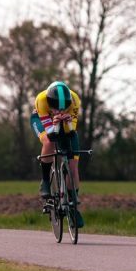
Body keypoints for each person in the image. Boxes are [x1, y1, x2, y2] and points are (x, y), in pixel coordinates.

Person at [30, 81, 84, 227]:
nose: (58, 110)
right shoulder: (41, 100)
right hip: (42, 121)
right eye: (55, 107)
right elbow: (51, 134)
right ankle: (46, 181)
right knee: (49, 142)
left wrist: (66, 121)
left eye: (63, 108)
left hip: (66, 126)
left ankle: (73, 208)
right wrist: (54, 122)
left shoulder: (74, 100)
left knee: (73, 166)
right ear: (49, 103)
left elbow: (71, 130)